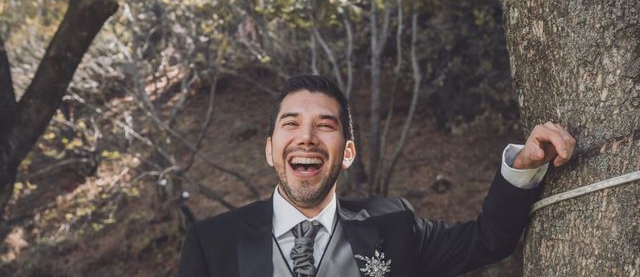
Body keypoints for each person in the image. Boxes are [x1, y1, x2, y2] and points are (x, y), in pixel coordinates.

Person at [177, 74, 576, 277]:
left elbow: (487, 240)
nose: (307, 138)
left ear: (347, 153)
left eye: (325, 126)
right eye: (291, 124)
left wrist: (523, 165)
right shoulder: (212, 244)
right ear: (269, 148)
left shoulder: (393, 224)